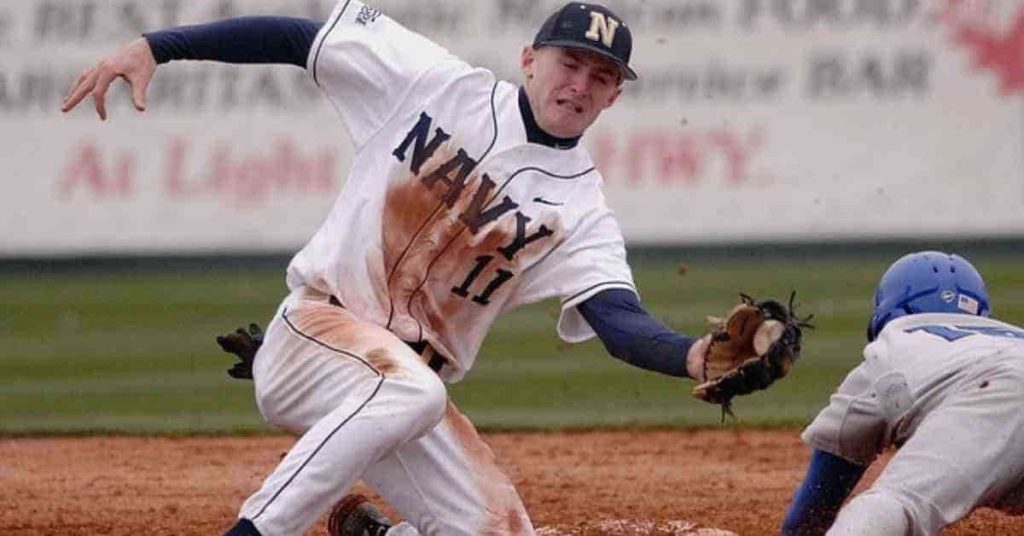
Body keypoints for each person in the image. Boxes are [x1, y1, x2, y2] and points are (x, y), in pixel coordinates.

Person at [62, 3, 794, 535]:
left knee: (497, 529)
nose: (581, 83)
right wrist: (159, 46)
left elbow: (619, 322)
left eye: (602, 76)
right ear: (530, 59)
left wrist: (695, 354)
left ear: (614, 94)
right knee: (407, 386)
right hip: (322, 323)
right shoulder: (436, 85)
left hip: (391, 393)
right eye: (571, 61)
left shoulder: (582, 210)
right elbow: (300, 38)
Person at [781, 251, 1024, 535]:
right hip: (1003, 385)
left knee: (895, 504)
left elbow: (819, 498)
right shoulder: (1008, 336)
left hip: (1001, 390)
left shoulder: (895, 342)